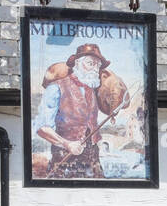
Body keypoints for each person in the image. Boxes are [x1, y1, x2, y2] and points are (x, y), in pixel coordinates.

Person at [34, 43, 127, 178]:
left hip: (93, 162)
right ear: (77, 64)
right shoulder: (56, 88)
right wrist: (67, 144)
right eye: (90, 63)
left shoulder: (93, 90)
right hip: (64, 160)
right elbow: (42, 127)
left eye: (98, 65)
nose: (95, 69)